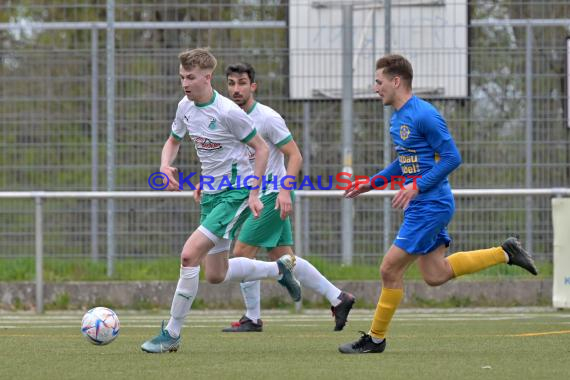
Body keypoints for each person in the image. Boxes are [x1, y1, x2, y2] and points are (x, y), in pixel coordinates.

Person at [338, 54, 538, 354]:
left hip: (431, 205)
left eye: (378, 82)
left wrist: (417, 186)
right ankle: (504, 253)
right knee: (435, 275)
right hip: (424, 205)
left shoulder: (425, 115)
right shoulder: (398, 118)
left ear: (396, 81)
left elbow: (452, 158)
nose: (375, 87)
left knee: (389, 270)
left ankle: (375, 339)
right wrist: (373, 182)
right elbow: (406, 161)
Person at [140, 48, 301, 353]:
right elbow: (173, 141)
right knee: (216, 274)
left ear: (206, 77)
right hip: (211, 196)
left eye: (190, 77)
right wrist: (164, 164)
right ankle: (279, 269)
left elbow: (262, 149)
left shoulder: (228, 112)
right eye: (181, 77)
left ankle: (172, 333)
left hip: (234, 194)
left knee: (189, 256)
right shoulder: (185, 107)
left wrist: (254, 193)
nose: (185, 83)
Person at [194, 62, 355, 332]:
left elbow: (295, 155)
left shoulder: (267, 118)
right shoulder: (227, 116)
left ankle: (253, 317)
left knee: (243, 251)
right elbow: (228, 160)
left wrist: (284, 191)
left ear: (253, 86)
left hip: (270, 194)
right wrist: (208, 182)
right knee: (284, 257)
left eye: (242, 83)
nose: (236, 89)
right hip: (248, 193)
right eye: (231, 83)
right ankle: (339, 298)